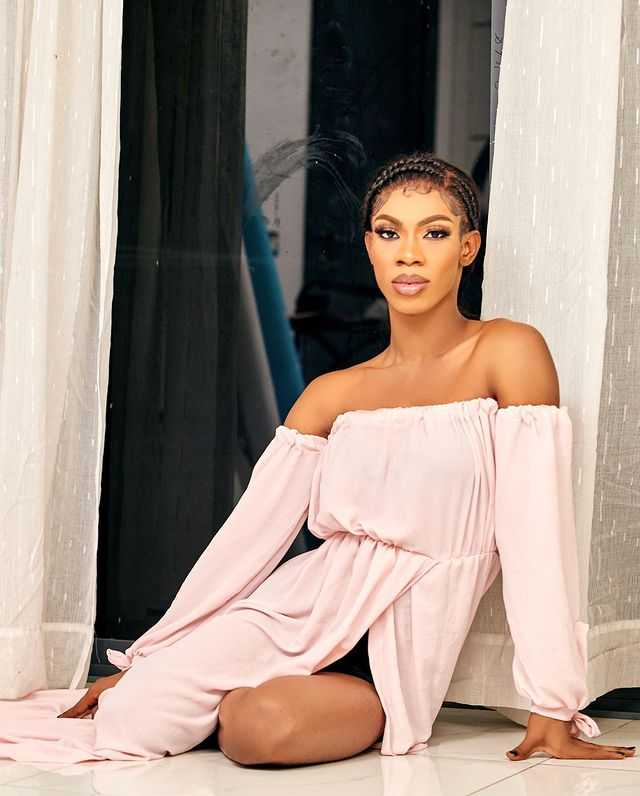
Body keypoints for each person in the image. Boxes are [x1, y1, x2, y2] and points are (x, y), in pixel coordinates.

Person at [1, 152, 635, 767]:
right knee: (131, 718)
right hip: (301, 607)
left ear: (468, 248)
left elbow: (535, 533)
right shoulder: (332, 394)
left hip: (392, 645)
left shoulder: (507, 351)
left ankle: (237, 702)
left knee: (257, 728)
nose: (409, 254)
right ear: (370, 247)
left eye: (435, 233)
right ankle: (196, 690)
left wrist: (553, 702)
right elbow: (246, 541)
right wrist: (153, 657)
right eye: (389, 232)